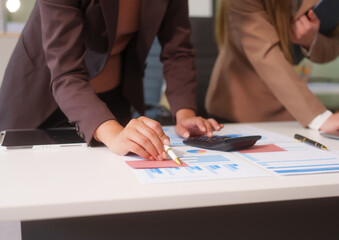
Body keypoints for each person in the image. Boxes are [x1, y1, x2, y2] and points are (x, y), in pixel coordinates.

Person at [0, 0, 223, 161]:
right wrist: (115, 135)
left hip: (112, 100)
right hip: (44, 102)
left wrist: (185, 115)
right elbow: (66, 72)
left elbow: (177, 51)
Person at [206, 0, 339, 132]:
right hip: (242, 106)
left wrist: (310, 40)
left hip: (291, 109)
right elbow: (265, 54)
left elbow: (334, 47)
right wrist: (320, 118)